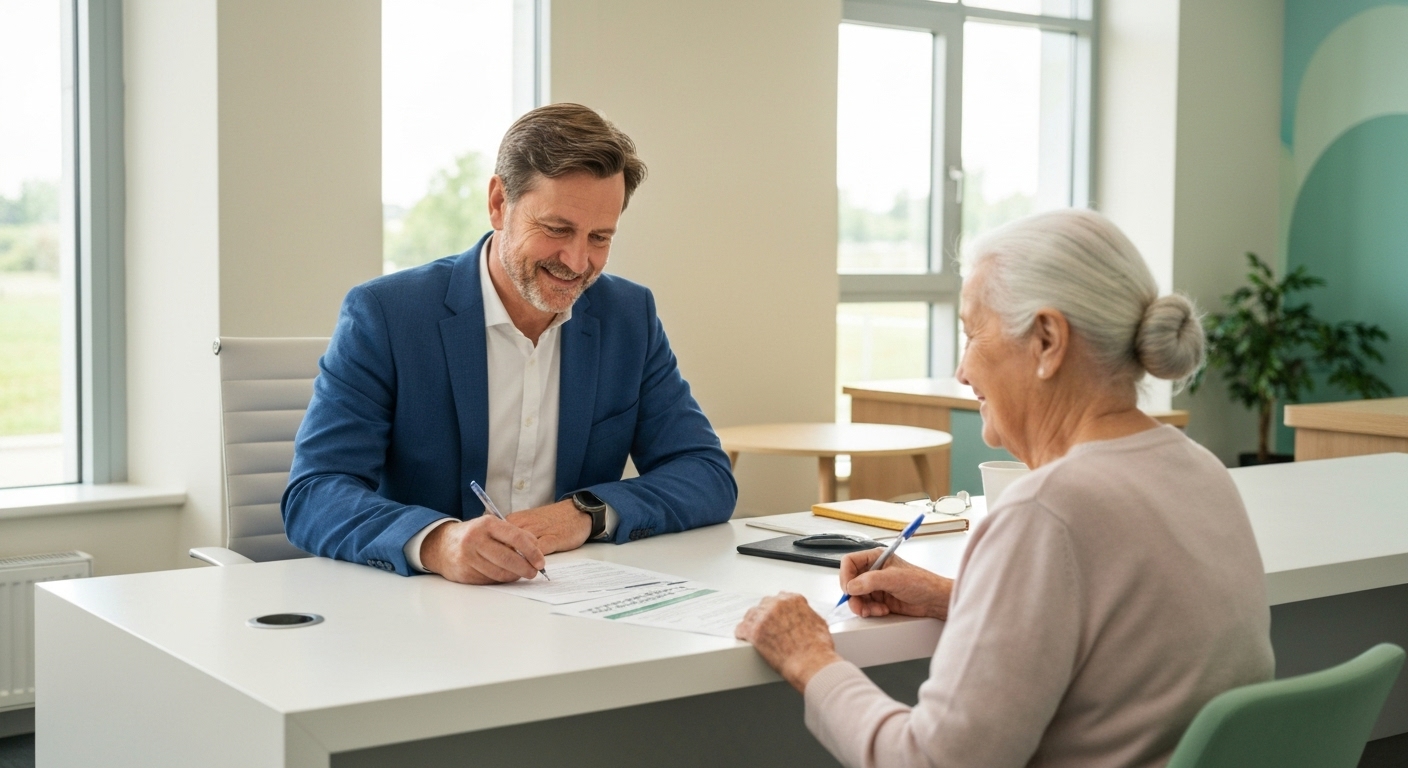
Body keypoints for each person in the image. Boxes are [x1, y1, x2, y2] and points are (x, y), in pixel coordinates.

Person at [735, 208, 1275, 768]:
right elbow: (1126, 634)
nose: (963, 372)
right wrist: (960, 596)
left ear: (1046, 340)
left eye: (972, 334)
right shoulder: (1203, 470)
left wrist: (810, 657)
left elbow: (930, 762)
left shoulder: (1047, 511)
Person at [283, 103, 737, 583]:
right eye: (557, 229)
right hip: (422, 608)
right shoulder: (387, 315)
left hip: (570, 599)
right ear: (500, 203)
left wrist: (585, 513)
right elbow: (314, 492)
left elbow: (705, 474)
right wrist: (438, 542)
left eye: (600, 237)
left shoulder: (628, 317)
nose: (578, 261)